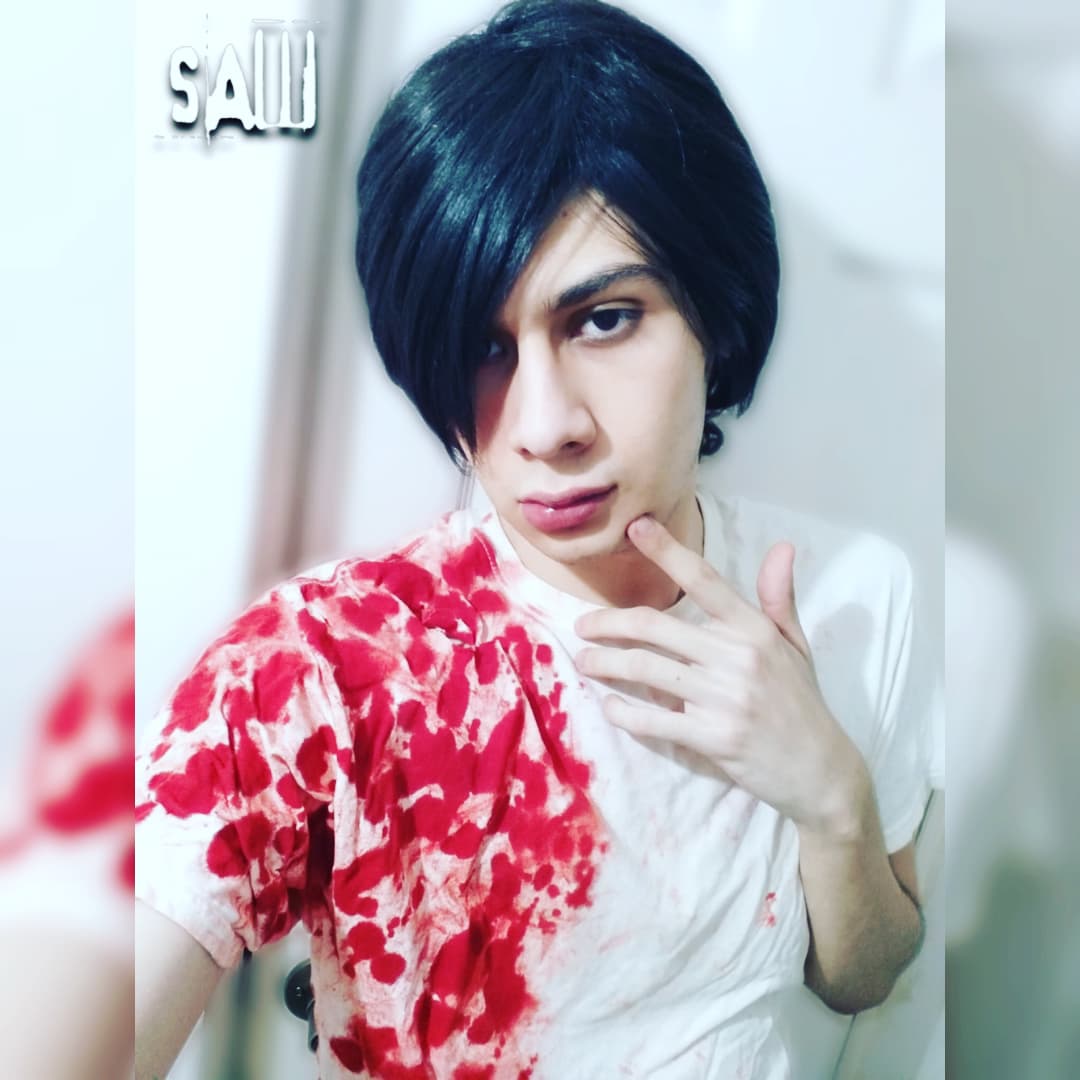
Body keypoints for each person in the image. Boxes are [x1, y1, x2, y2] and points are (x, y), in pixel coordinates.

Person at [135, 1, 932, 1077]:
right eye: (484, 347)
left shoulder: (855, 596)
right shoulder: (325, 666)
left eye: (604, 319)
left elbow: (863, 976)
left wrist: (830, 797)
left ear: (717, 308)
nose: (546, 426)